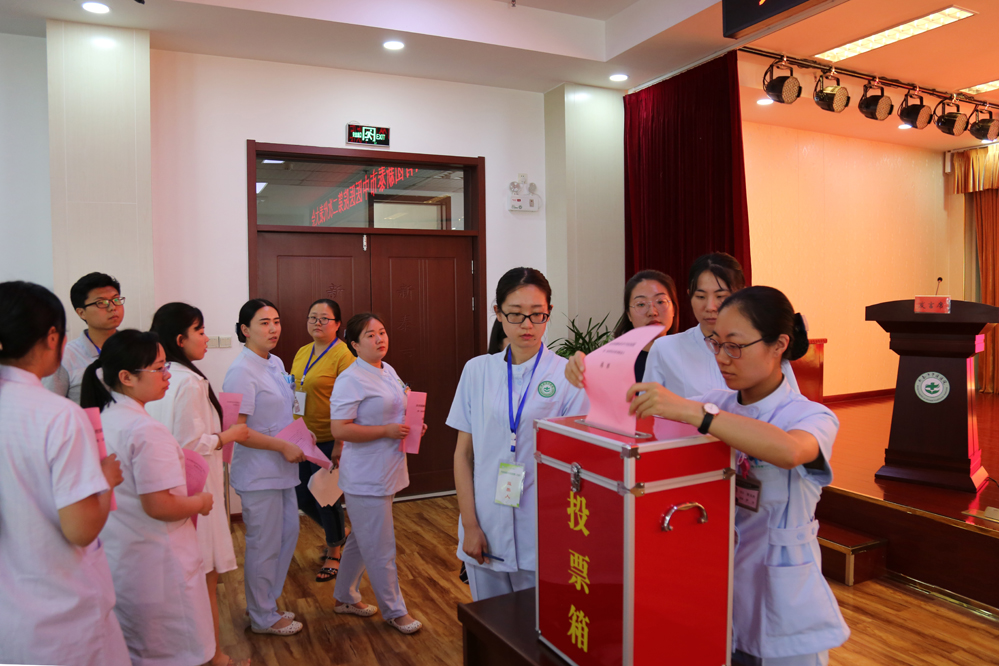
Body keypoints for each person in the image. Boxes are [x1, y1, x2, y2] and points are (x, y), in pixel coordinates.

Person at [627, 286, 849, 666]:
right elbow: (650, 425)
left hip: (782, 585)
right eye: (716, 344)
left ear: (778, 345)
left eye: (735, 346)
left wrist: (699, 415)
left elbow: (789, 451)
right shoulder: (718, 402)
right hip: (719, 577)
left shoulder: (810, 416)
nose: (721, 358)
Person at [0, 281, 130, 666]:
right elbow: (80, 529)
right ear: (53, 336)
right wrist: (105, 480)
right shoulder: (57, 415)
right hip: (59, 614)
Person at [448, 267, 589, 602]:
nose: (527, 325)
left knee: (537, 622)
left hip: (542, 526)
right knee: (490, 620)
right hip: (485, 522)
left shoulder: (567, 375)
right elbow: (463, 455)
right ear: (498, 313)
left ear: (549, 312)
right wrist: (470, 525)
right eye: (515, 314)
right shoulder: (477, 370)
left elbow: (577, 460)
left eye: (538, 314)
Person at [80, 329, 216, 666]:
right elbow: (160, 505)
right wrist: (201, 502)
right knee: (175, 653)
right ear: (126, 377)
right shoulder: (145, 430)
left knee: (141, 651)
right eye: (158, 368)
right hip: (157, 563)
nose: (167, 375)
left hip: (125, 555)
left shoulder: (106, 420)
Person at [147, 303, 251, 666]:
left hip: (174, 490)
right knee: (204, 578)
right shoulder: (187, 381)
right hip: (195, 491)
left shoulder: (165, 378)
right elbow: (189, 444)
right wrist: (227, 436)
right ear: (180, 339)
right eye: (201, 331)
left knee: (191, 581)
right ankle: (214, 655)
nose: (206, 338)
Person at [568, 253, 799, 397]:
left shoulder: (762, 346)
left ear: (741, 295)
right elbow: (648, 416)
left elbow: (790, 407)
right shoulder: (666, 348)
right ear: (689, 296)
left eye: (721, 296)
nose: (710, 306)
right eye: (700, 296)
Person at [329, 313, 426, 635]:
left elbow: (399, 409)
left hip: (389, 468)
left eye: (382, 332)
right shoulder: (350, 378)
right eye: (370, 335)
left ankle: (344, 596)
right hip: (365, 476)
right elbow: (340, 429)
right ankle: (395, 611)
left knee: (362, 538)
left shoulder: (388, 370)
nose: (379, 339)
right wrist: (386, 430)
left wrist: (413, 426)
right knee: (381, 546)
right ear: (354, 345)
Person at [222, 299, 306, 636]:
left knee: (287, 534)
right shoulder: (241, 371)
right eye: (264, 323)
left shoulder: (275, 362)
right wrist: (283, 445)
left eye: (276, 321)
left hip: (282, 468)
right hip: (259, 472)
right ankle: (262, 616)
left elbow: (284, 411)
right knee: (264, 543)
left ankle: (266, 604)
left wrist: (301, 436)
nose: (273, 329)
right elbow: (238, 431)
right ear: (245, 330)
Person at [289, 298, 354, 583]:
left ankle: (334, 552)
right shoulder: (303, 352)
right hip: (302, 437)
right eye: (312, 317)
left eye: (324, 318)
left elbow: (350, 403)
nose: (317, 323)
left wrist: (340, 443)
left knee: (326, 499)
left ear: (337, 324)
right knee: (302, 495)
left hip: (329, 440)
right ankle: (340, 534)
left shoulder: (344, 356)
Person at [43, 271, 125, 403]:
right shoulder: (64, 358)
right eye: (101, 302)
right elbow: (51, 405)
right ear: (81, 313)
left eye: (116, 299)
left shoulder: (135, 348)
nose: (112, 307)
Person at [611, 269, 679, 381]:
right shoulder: (613, 364)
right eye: (641, 304)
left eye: (660, 302)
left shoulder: (691, 357)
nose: (652, 312)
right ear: (629, 315)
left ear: (674, 310)